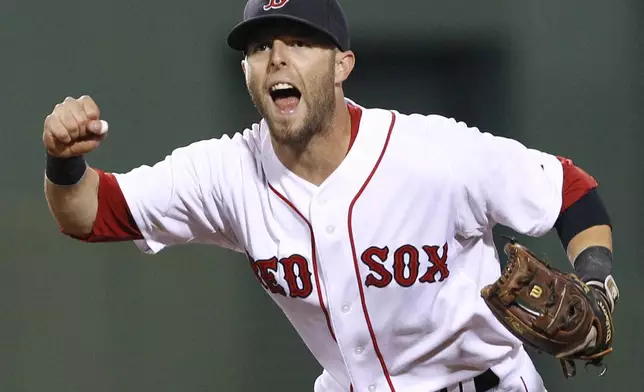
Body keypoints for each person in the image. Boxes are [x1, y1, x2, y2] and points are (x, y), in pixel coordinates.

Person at [41, 0, 619, 391]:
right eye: (260, 47)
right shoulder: (228, 172)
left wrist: (596, 285)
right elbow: (90, 213)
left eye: (299, 41)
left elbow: (572, 190)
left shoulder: (433, 153)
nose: (277, 58)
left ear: (342, 65)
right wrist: (64, 161)